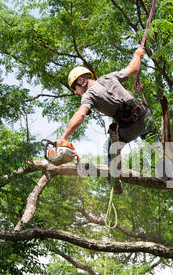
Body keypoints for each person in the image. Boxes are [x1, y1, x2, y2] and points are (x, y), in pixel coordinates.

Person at [57, 46, 155, 195]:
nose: (76, 92)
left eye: (75, 88)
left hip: (129, 126)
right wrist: (137, 54)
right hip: (145, 116)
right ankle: (170, 171)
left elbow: (81, 115)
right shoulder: (108, 77)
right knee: (158, 144)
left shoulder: (88, 95)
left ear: (81, 80)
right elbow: (133, 68)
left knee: (109, 147)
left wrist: (64, 137)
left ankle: (115, 183)